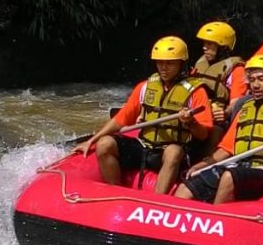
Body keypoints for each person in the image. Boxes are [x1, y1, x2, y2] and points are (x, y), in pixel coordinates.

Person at [75, 36, 213, 194]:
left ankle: (156, 202)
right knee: (105, 144)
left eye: (169, 63)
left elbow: (203, 135)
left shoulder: (196, 92)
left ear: (181, 64)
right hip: (144, 146)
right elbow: (121, 120)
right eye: (160, 62)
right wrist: (91, 140)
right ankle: (114, 194)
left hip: (171, 152)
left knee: (173, 151)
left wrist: (190, 122)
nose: (163, 68)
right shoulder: (145, 87)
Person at [175, 55, 263, 206]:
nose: (255, 85)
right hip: (238, 166)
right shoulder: (245, 108)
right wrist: (201, 165)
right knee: (186, 187)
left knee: (229, 177)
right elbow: (226, 149)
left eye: (261, 79)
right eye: (252, 79)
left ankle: (216, 220)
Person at [191, 21, 247, 133]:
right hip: (194, 114)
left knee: (216, 132)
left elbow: (236, 102)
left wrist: (225, 112)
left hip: (217, 119)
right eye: (204, 44)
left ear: (223, 47)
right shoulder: (200, 63)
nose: (204, 48)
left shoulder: (237, 70)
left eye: (209, 44)